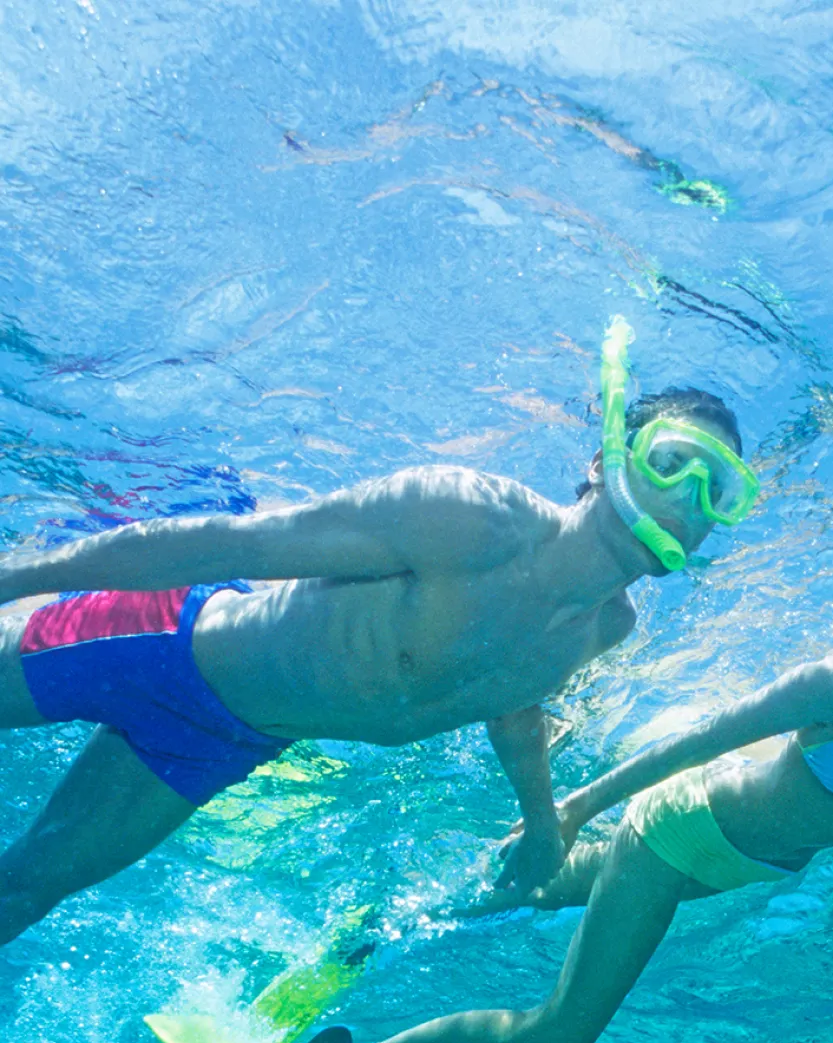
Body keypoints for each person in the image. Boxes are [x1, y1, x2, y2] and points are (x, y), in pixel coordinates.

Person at [260, 461, 833, 1043]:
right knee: (558, 1039)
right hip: (677, 833)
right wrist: (569, 809)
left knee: (532, 891)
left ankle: (376, 928)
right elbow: (708, 736)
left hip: (734, 864)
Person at [0, 318, 758, 943]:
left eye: (716, 490)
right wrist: (26, 576)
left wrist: (541, 827)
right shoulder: (469, 519)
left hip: (214, 746)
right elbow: (234, 544)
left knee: (26, 892)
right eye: (672, 463)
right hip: (161, 645)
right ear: (605, 460)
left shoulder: (605, 628)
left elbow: (515, 712)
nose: (687, 501)